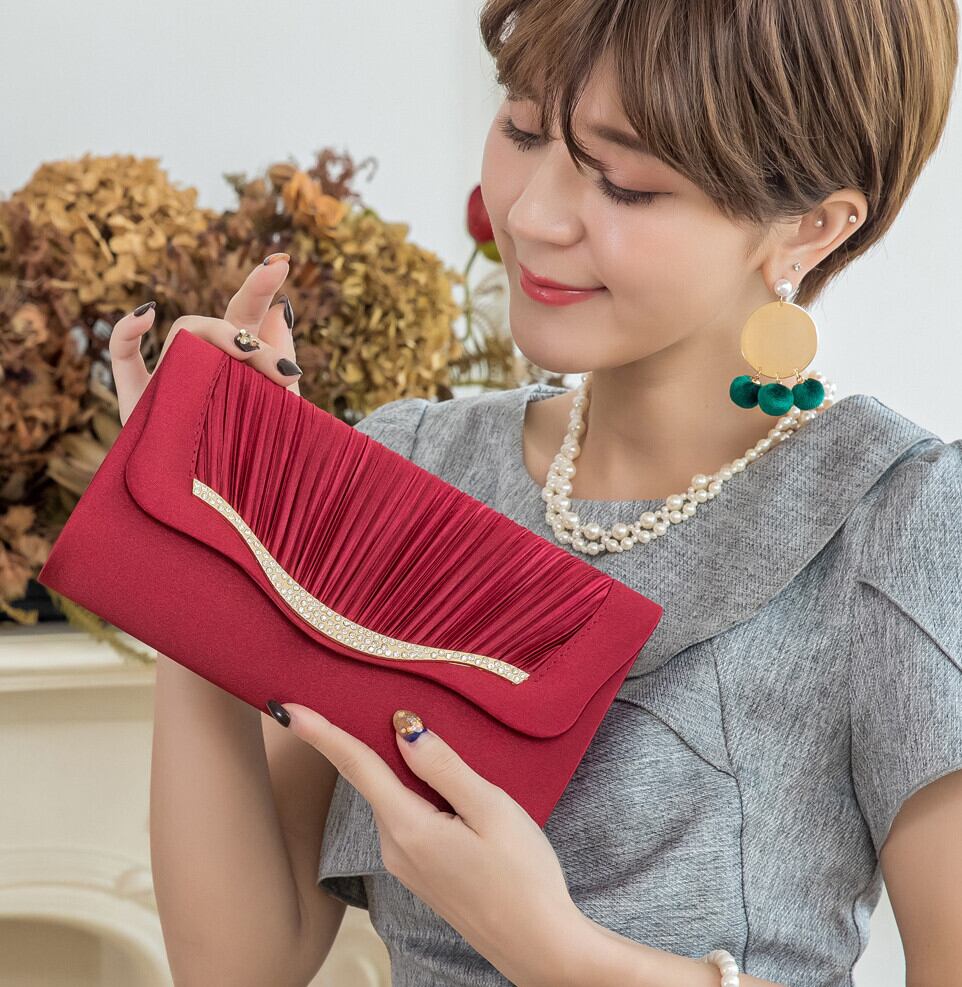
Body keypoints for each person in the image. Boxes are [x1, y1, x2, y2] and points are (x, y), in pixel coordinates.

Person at [111, 1, 961, 985]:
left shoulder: (893, 520)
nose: (528, 215)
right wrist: (197, 534)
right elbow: (236, 966)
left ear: (810, 226)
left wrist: (554, 950)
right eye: (520, 127)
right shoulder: (413, 465)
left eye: (628, 181)